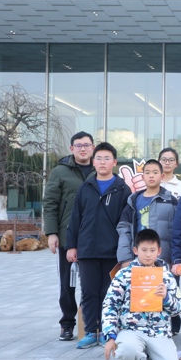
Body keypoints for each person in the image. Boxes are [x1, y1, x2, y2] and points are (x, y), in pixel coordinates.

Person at [66, 142, 132, 349]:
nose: (102, 162)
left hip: (111, 251)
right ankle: (90, 331)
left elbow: (126, 223)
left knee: (108, 293)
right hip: (87, 250)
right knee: (88, 292)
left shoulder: (123, 189)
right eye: (99, 158)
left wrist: (125, 252)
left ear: (114, 162)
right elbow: (75, 218)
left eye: (107, 158)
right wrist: (72, 246)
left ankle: (105, 331)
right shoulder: (86, 188)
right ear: (93, 162)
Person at [101, 229, 181, 360]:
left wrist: (166, 298)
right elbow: (110, 305)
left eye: (152, 250)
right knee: (127, 349)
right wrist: (110, 335)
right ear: (135, 250)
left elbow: (177, 310)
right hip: (131, 330)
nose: (148, 254)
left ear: (159, 251)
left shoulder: (167, 276)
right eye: (144, 250)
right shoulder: (124, 275)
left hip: (159, 331)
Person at [42, 131, 95, 341]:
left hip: (94, 237)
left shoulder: (101, 169)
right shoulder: (60, 172)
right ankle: (67, 323)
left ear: (93, 147)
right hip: (68, 236)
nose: (83, 149)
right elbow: (50, 204)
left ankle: (91, 323)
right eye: (78, 145)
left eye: (87, 145)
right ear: (72, 148)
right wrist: (52, 233)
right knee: (68, 283)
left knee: (92, 284)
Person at [116, 159, 176, 267]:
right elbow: (124, 230)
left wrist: (176, 259)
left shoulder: (171, 201)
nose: (151, 176)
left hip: (163, 260)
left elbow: (178, 232)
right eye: (147, 173)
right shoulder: (133, 201)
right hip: (137, 259)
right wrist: (125, 258)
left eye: (155, 172)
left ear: (162, 176)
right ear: (142, 177)